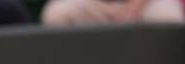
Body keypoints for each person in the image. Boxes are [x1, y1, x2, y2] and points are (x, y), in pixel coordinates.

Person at [41, 0, 183, 23]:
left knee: (169, 19)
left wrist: (135, 7)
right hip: (97, 4)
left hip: (147, 3)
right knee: (57, 14)